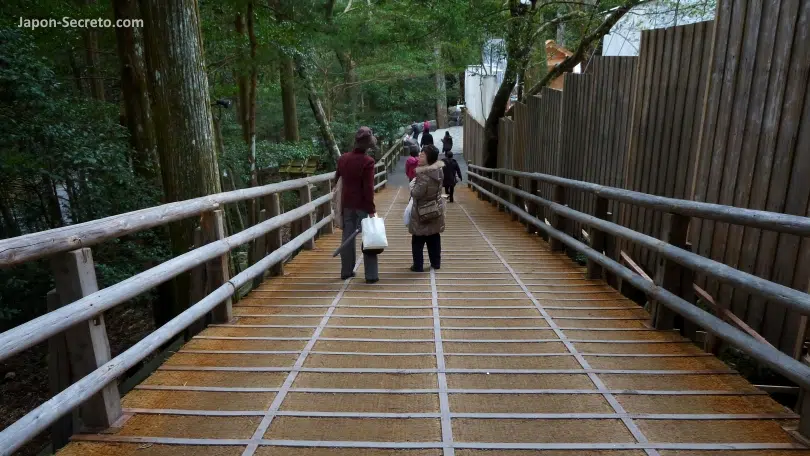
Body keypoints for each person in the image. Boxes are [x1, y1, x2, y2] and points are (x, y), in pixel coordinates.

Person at [335, 126, 379, 283]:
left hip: (347, 204)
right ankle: (371, 275)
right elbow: (368, 188)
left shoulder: (343, 159)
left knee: (347, 236)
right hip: (362, 205)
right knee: (369, 237)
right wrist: (371, 209)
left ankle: (346, 271)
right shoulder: (368, 162)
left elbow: (338, 179)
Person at [408, 145, 445, 272]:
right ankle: (436, 263)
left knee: (418, 239)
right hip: (435, 207)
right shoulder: (439, 171)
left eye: (422, 155)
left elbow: (417, 193)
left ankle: (418, 265)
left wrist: (412, 187)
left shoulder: (424, 175)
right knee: (434, 236)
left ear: (428, 158)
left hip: (422, 210)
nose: (419, 157)